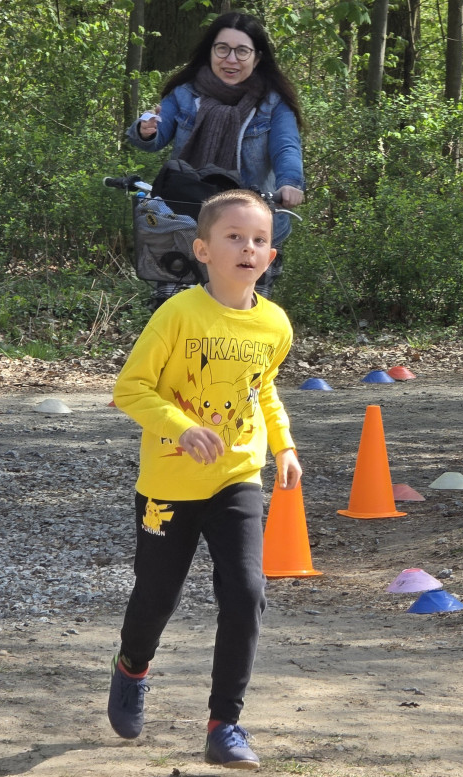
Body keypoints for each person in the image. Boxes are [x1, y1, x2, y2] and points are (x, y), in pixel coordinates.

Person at [108, 189, 302, 769]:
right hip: (169, 484)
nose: (249, 248)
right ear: (202, 249)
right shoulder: (177, 313)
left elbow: (261, 387)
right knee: (156, 597)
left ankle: (225, 724)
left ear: (270, 256)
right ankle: (132, 667)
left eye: (260, 240)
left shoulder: (274, 324)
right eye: (234, 237)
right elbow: (130, 390)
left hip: (238, 476)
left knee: (246, 592)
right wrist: (180, 427)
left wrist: (285, 445)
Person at [126, 12, 304, 302]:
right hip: (186, 220)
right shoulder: (184, 95)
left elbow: (287, 147)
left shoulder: (273, 104)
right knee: (174, 312)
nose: (230, 59)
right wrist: (146, 130)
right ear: (210, 52)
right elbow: (155, 135)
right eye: (222, 49)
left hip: (247, 223)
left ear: (256, 58)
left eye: (242, 51)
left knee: (244, 318)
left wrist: (290, 183)